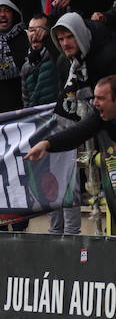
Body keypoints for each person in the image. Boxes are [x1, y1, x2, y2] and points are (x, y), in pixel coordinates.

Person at [24, 75, 116, 227]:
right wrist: (47, 144)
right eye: (95, 97)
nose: (95, 103)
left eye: (101, 98)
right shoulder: (101, 117)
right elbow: (78, 132)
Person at [21, 13, 60, 107]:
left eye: (39, 29)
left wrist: (48, 39)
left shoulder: (57, 55)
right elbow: (26, 101)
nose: (35, 34)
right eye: (31, 30)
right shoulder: (26, 66)